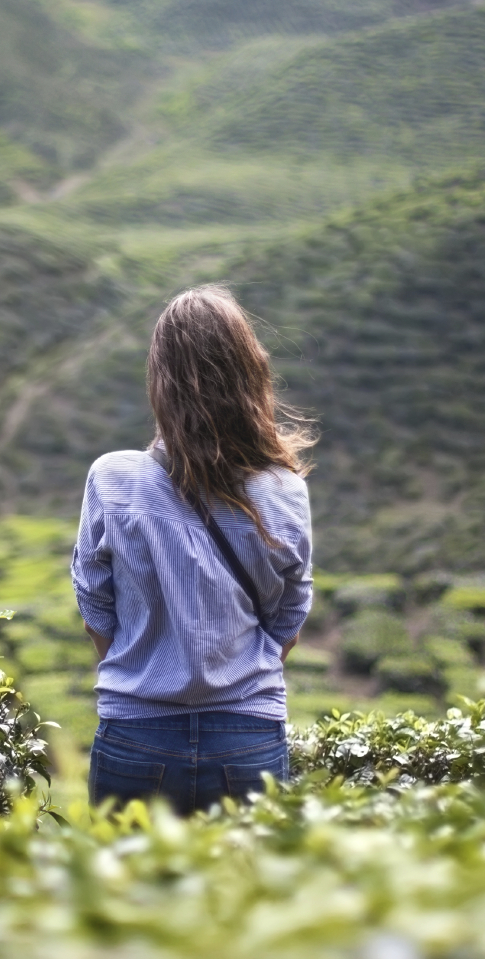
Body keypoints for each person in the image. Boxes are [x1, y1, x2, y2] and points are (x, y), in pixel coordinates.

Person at [70, 284, 315, 814]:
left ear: (160, 381)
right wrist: (241, 676)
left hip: (136, 737)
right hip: (248, 736)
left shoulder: (112, 478)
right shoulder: (284, 489)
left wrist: (142, 675)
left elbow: (94, 604)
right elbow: (291, 612)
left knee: (126, 893)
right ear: (250, 373)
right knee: (247, 895)